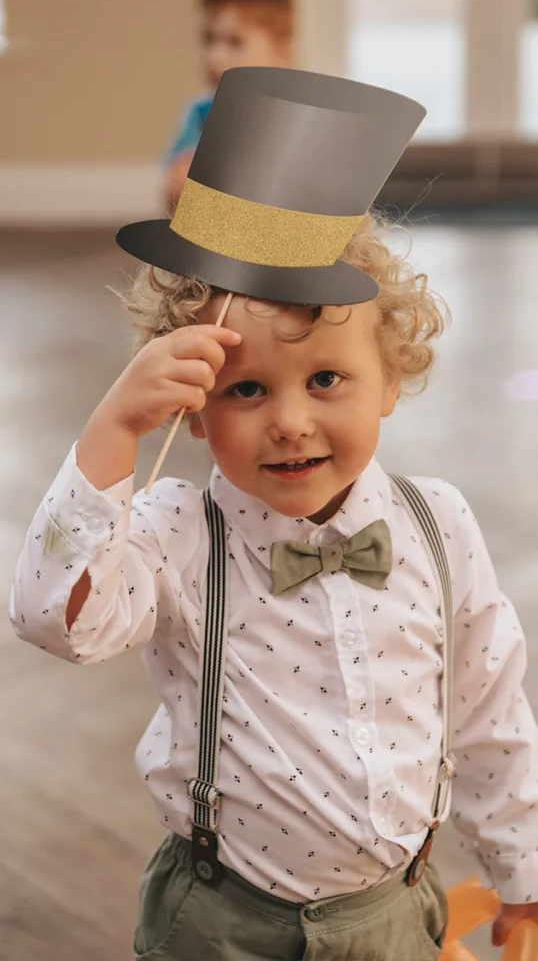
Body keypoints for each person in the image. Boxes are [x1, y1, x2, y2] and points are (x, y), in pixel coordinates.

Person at [10, 66, 538, 960]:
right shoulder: (174, 532)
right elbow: (54, 620)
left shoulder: (437, 526)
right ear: (190, 404)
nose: (290, 420)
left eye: (327, 378)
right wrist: (112, 429)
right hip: (224, 925)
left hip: (397, 917)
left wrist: (523, 874)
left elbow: (490, 713)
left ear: (394, 380)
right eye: (244, 387)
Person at [163, 0, 293, 211]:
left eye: (235, 42)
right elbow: (174, 195)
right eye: (208, 40)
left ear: (282, 49)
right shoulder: (200, 115)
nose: (215, 57)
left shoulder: (294, 117)